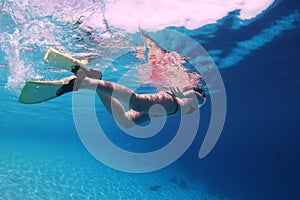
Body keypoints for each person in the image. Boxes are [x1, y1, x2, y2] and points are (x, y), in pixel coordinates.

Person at [56, 66, 206, 129]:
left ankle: (95, 79)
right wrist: (183, 94)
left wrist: (184, 94)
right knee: (136, 102)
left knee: (125, 122)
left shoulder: (197, 98)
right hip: (171, 103)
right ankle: (86, 82)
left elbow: (195, 97)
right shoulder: (200, 97)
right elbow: (197, 97)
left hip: (163, 111)